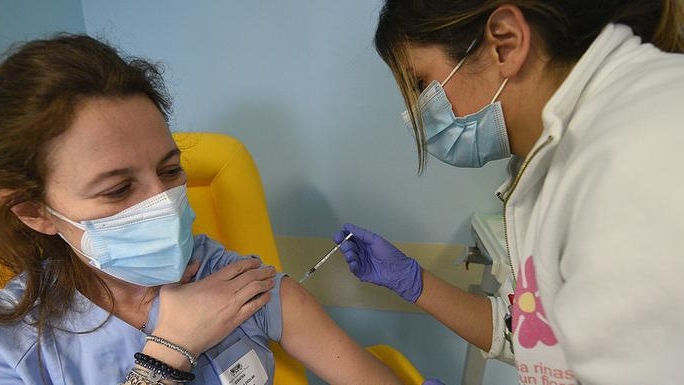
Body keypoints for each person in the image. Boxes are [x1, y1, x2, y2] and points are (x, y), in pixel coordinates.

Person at [0, 34, 406, 385]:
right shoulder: (14, 345)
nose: (162, 202)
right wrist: (169, 352)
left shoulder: (232, 279)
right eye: (119, 189)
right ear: (35, 212)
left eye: (171, 170)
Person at [334, 1, 684, 384]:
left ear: (506, 42)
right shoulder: (552, 156)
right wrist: (413, 281)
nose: (420, 113)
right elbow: (537, 334)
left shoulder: (642, 145)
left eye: (421, 84)